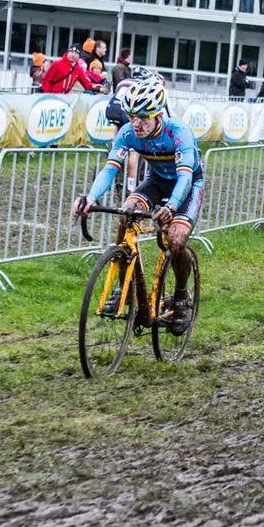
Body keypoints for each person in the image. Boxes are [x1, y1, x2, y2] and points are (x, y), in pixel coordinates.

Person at [74, 78, 203, 335]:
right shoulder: (127, 133)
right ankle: (124, 288)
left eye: (143, 117)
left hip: (186, 185)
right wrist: (91, 197)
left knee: (176, 240)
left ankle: (181, 296)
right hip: (155, 182)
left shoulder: (178, 133)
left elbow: (186, 177)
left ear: (157, 114)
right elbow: (111, 169)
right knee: (127, 211)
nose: (136, 123)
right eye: (132, 116)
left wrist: (173, 205)